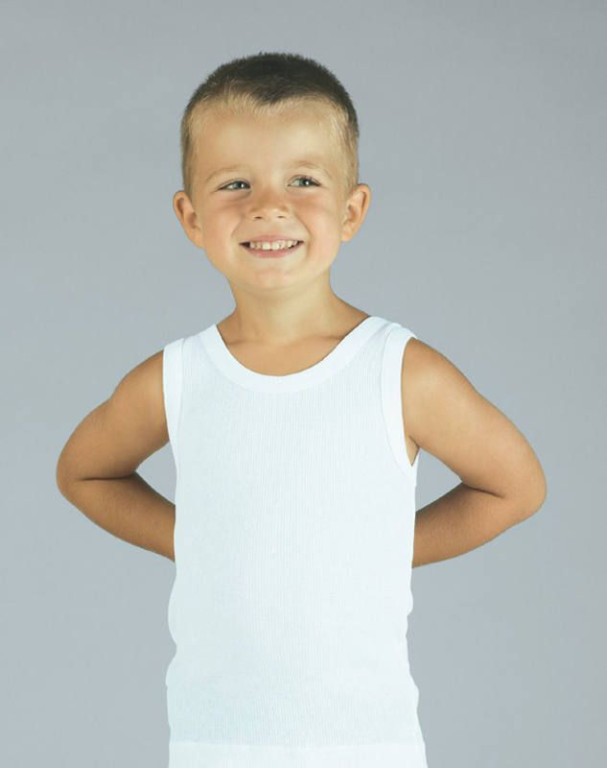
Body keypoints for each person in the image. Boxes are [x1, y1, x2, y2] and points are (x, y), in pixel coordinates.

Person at [55, 51, 547, 768]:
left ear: (351, 211)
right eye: (235, 184)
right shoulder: (177, 378)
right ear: (191, 216)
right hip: (212, 745)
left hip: (366, 746)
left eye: (303, 180)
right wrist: (199, 540)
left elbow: (516, 487)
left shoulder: (399, 371)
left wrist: (375, 548)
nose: (268, 206)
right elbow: (83, 472)